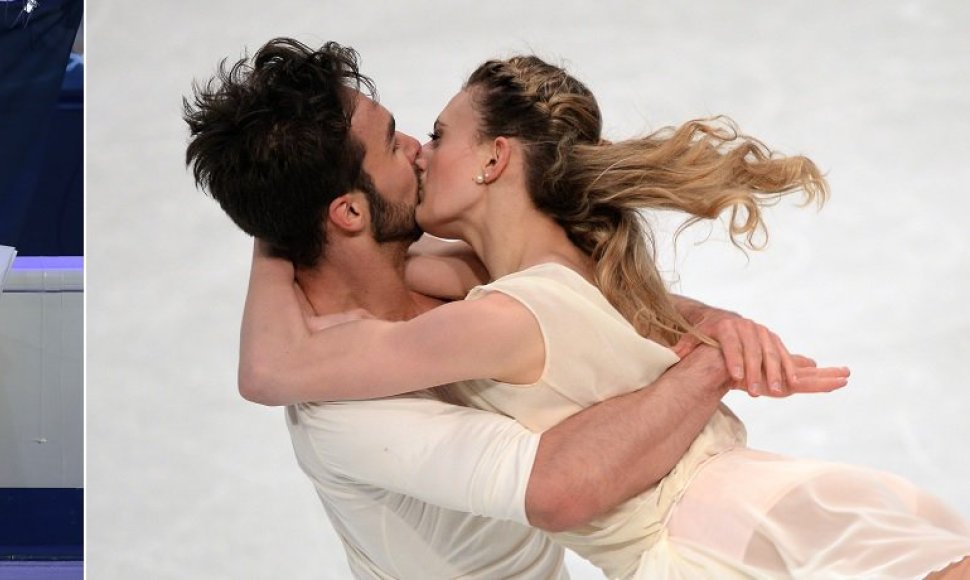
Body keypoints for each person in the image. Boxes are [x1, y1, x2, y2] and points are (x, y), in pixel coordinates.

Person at [238, 45, 970, 578]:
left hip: (713, 526)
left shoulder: (483, 307)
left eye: (432, 134)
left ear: (494, 161)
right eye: (408, 138)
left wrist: (280, 224)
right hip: (723, 517)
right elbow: (284, 361)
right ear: (347, 208)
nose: (420, 154)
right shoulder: (526, 271)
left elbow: (279, 363)